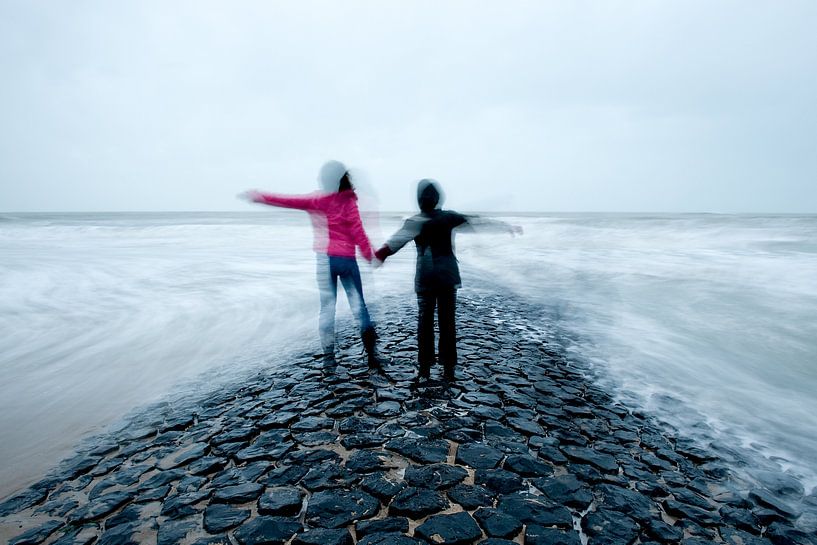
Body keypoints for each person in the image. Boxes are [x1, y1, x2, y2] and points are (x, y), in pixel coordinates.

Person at [374, 179, 521, 383]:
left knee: (424, 324)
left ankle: (425, 369)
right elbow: (477, 221)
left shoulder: (415, 222)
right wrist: (505, 227)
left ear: (419, 201)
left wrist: (378, 256)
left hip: (425, 278)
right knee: (447, 322)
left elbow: (393, 243)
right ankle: (448, 368)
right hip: (447, 277)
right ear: (438, 199)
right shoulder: (449, 218)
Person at [241, 160, 381, 369]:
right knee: (359, 307)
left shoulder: (316, 199)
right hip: (347, 260)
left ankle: (329, 357)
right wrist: (369, 254)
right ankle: (371, 356)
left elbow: (286, 201)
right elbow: (357, 230)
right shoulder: (348, 201)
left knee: (327, 308)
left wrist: (260, 197)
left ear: (325, 180)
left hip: (325, 260)